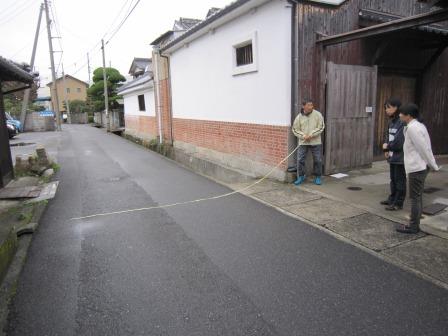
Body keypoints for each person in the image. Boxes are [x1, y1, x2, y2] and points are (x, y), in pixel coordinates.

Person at [397, 103, 440, 234]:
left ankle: (414, 226)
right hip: (420, 166)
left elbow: (423, 148)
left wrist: (433, 165)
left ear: (408, 115)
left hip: (416, 167)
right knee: (418, 197)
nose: (399, 115)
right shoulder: (418, 126)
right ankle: (415, 225)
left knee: (415, 198)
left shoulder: (413, 128)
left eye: (401, 113)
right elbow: (426, 145)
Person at [380, 98, 406, 211]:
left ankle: (398, 203)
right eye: (386, 108)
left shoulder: (402, 122)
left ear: (396, 108)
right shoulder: (392, 122)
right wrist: (386, 150)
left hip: (400, 157)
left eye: (388, 107)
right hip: (392, 155)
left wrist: (388, 147)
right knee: (393, 179)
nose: (386, 110)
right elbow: (387, 136)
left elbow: (399, 142)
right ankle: (392, 199)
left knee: (400, 180)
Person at [292, 99, 325, 186]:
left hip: (315, 141)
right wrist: (303, 136)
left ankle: (318, 176)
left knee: (317, 159)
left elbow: (321, 127)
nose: (311, 107)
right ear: (304, 106)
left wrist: (311, 135)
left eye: (311, 105)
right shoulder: (299, 117)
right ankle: (301, 176)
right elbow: (295, 129)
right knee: (300, 160)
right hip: (303, 142)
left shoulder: (318, 114)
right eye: (309, 105)